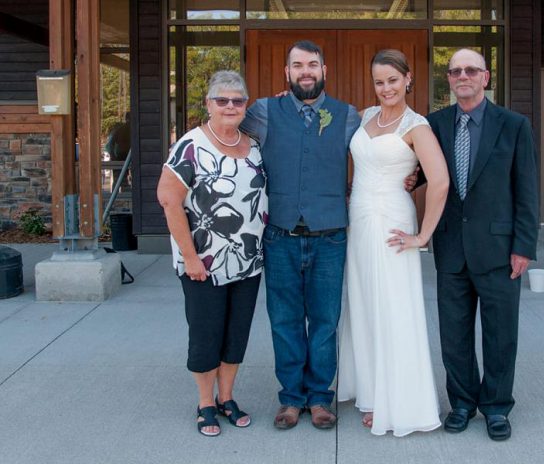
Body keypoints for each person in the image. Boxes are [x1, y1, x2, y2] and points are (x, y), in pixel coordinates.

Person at [240, 40, 362, 430]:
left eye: (312, 64)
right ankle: (291, 398)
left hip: (330, 235)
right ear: (287, 73)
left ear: (324, 70)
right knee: (285, 320)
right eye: (297, 65)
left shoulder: (347, 117)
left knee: (326, 320)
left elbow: (377, 156)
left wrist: (412, 177)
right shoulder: (262, 112)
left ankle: (320, 398)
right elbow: (226, 134)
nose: (305, 71)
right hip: (280, 234)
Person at [426, 49, 539, 441]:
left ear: (485, 77)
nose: (462, 76)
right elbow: (422, 172)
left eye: (470, 70)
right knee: (453, 335)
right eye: (455, 71)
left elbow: (527, 189)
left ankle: (495, 406)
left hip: (499, 250)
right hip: (451, 249)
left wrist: (524, 245)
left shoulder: (513, 125)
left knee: (500, 333)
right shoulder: (434, 124)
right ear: (449, 79)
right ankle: (461, 403)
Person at [337, 49, 450, 437]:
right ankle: (370, 390)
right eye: (379, 81)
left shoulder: (416, 126)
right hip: (359, 221)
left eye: (392, 80)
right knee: (365, 305)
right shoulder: (367, 116)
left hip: (392, 225)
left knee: (393, 307)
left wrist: (422, 236)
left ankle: (397, 401)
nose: (386, 88)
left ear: (408, 79)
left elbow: (440, 182)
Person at [157, 71, 268, 437]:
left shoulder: (252, 145)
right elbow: (169, 200)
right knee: (206, 335)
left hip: (247, 261)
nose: (230, 106)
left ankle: (227, 396)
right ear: (208, 104)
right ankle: (205, 402)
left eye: (238, 100)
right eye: (222, 100)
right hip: (202, 264)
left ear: (245, 106)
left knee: (236, 336)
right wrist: (190, 257)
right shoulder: (191, 145)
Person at [105, 112, 131, 189]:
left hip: (119, 156)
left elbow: (109, 146)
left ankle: (118, 197)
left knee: (118, 179)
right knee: (122, 179)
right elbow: (110, 145)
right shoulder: (128, 129)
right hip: (125, 156)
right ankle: (124, 197)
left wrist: (113, 157)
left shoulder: (120, 129)